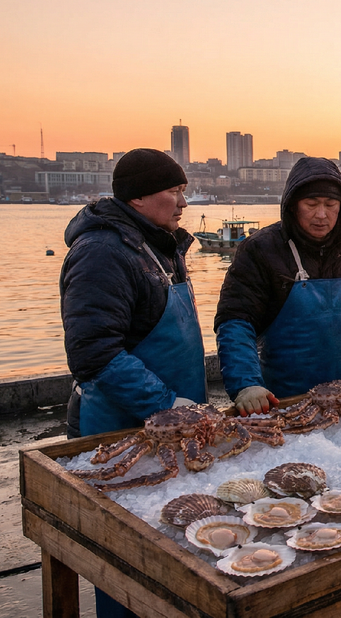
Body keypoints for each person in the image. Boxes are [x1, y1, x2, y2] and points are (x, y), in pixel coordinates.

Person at [59, 148, 207, 617]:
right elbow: (93, 351)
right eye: (174, 191)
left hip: (171, 428)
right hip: (119, 429)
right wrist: (164, 403)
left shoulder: (157, 246)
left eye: (183, 190)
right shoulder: (103, 251)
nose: (183, 202)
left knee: (176, 550)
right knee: (127, 562)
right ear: (140, 197)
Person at [215, 157, 341, 411]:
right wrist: (246, 384)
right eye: (311, 204)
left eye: (330, 204)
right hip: (283, 401)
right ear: (292, 205)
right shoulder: (260, 249)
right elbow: (235, 322)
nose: (321, 215)